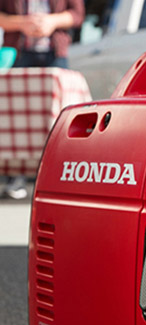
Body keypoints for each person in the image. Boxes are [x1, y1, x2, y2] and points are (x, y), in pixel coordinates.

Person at [0, 0, 84, 199]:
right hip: (18, 52)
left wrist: (51, 21)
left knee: (61, 117)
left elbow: (77, 15)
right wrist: (22, 23)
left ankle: (59, 176)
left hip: (55, 53)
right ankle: (16, 178)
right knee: (16, 117)